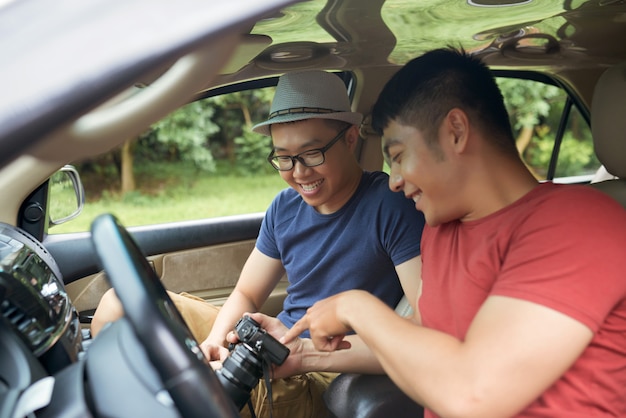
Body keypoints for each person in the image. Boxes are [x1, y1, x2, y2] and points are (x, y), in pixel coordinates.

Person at [267, 48, 626, 417]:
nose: (395, 181)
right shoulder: (440, 232)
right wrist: (302, 354)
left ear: (455, 131)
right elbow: (418, 342)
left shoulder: (579, 224)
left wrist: (354, 307)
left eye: (400, 156)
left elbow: (474, 396)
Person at [91, 70, 425, 418]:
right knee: (118, 304)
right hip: (270, 346)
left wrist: (305, 350)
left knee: (188, 392)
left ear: (351, 138)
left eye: (312, 154)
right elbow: (247, 294)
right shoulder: (284, 208)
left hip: (323, 373)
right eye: (283, 157)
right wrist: (215, 342)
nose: (298, 172)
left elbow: (423, 323)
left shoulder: (391, 204)